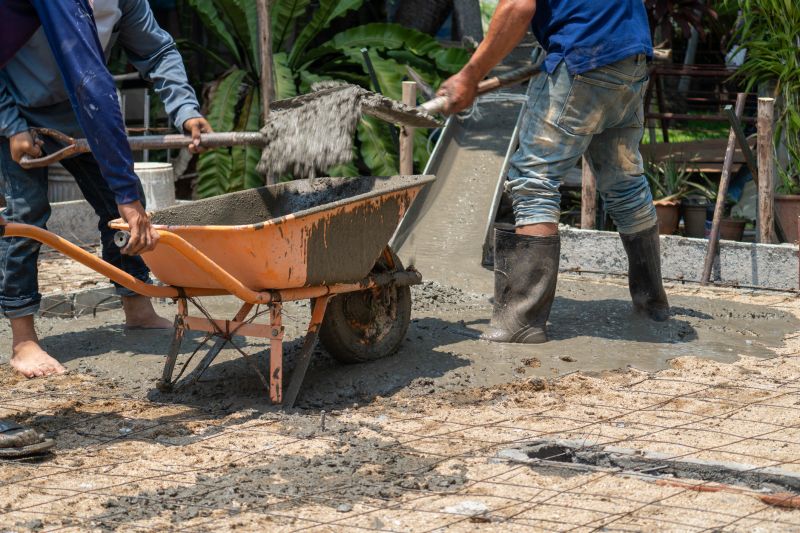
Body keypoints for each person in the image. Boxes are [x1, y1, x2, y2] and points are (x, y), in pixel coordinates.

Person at [0, 0, 213, 378]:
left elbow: (157, 49)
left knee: (125, 206)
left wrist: (186, 109)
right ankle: (23, 339)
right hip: (15, 105)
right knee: (26, 214)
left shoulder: (127, 2)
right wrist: (11, 124)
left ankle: (137, 304)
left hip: (84, 106)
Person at [438, 0, 669, 344]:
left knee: (534, 179)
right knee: (624, 183)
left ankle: (521, 321)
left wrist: (470, 74)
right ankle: (653, 305)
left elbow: (518, 6)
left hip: (583, 55)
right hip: (630, 58)